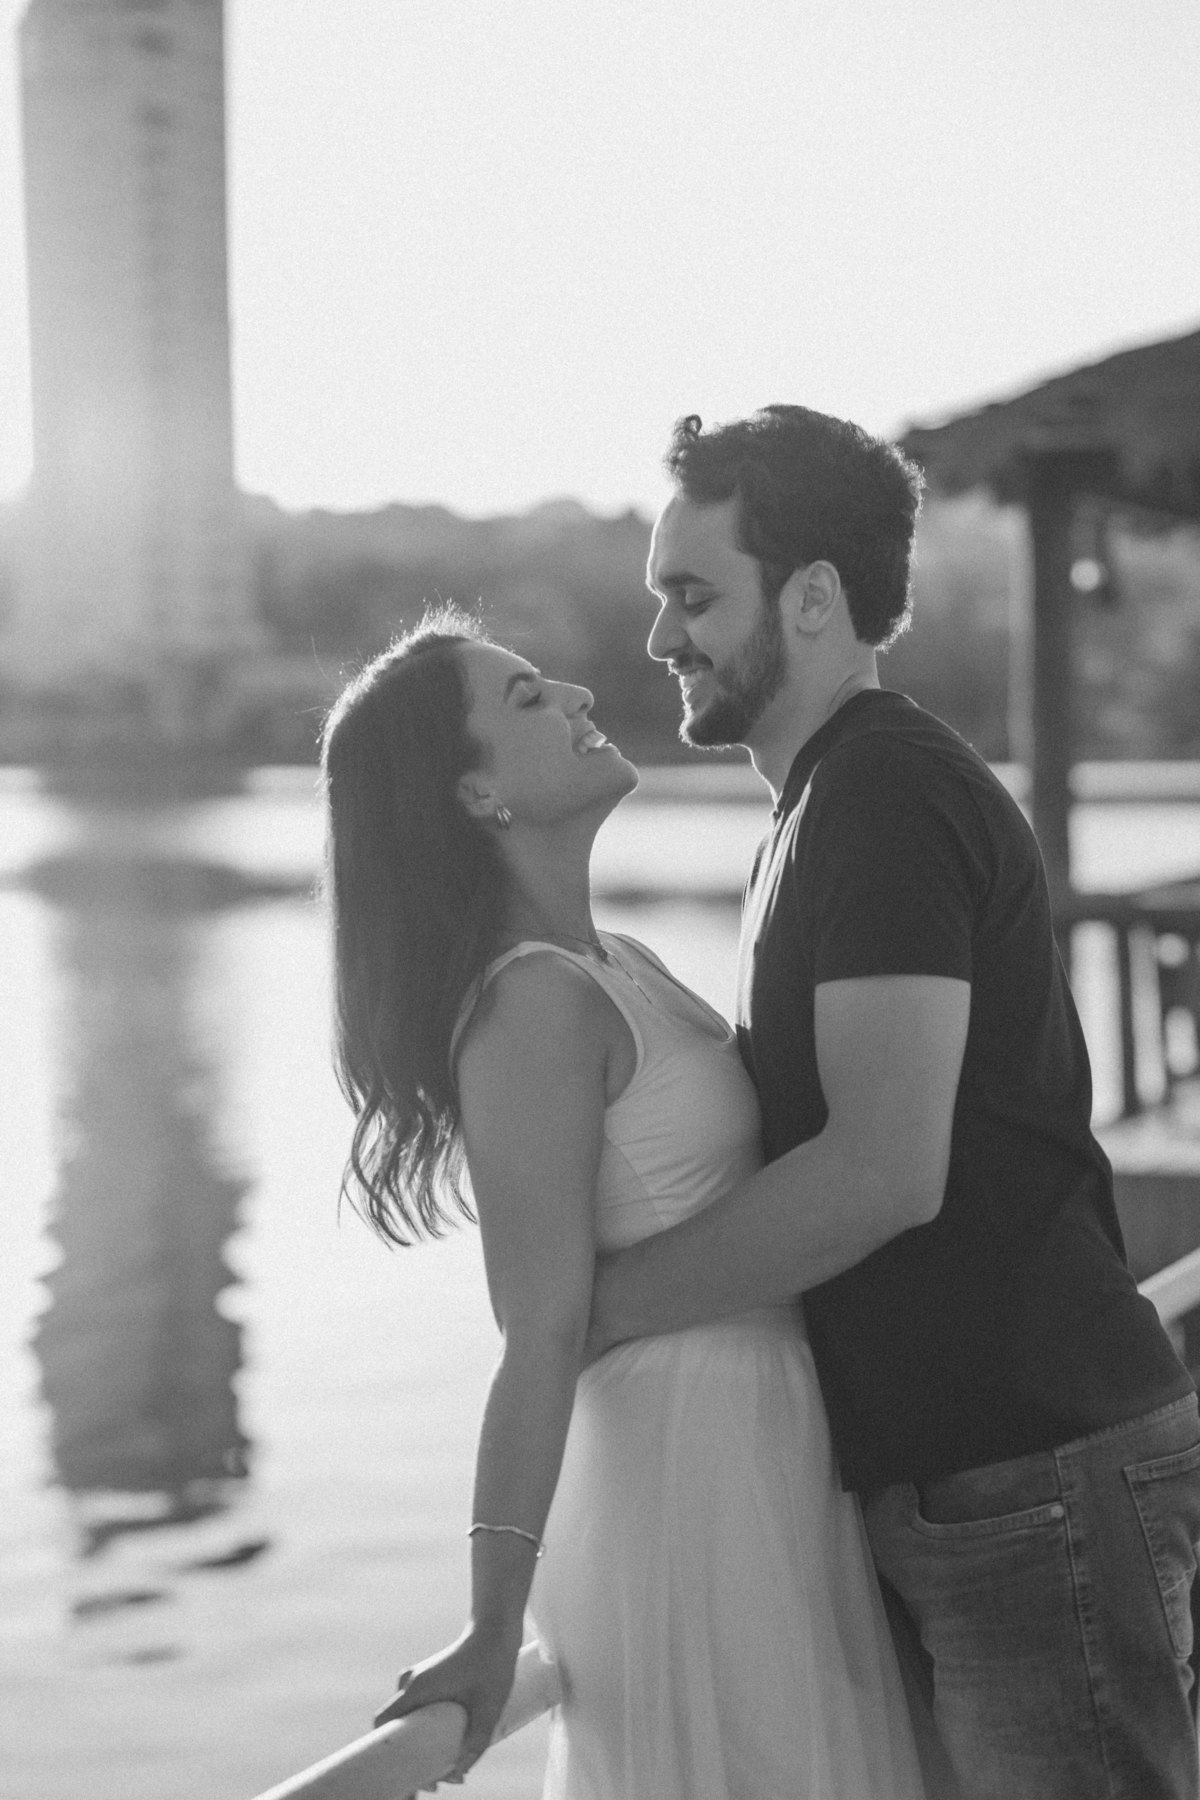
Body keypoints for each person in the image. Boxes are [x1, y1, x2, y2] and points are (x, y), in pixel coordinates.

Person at [583, 405, 1200, 1800]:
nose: (661, 637)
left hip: (1029, 1466)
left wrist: (599, 1309)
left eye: (694, 595)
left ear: (812, 598)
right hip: (984, 1475)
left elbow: (880, 1168)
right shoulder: (822, 803)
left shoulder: (880, 797)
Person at [320, 605, 925, 1798]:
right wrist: (492, 1622)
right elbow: (538, 1330)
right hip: (692, 1471)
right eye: (527, 698)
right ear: (476, 793)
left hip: (774, 1443)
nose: (580, 696)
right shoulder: (529, 1005)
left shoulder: (620, 964)